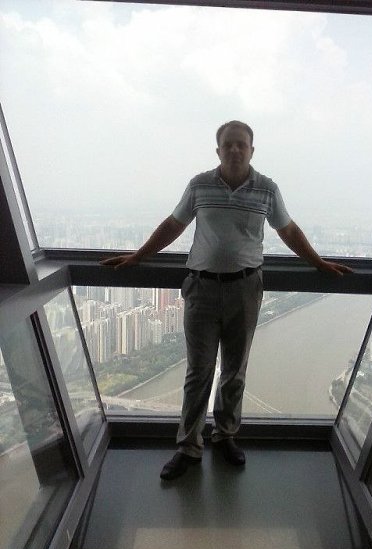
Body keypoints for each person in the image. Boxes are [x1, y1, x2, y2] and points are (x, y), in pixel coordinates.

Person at [101, 120, 352, 480]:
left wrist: (319, 263)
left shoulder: (267, 189)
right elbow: (174, 225)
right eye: (228, 145)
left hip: (245, 289)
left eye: (241, 144)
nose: (235, 150)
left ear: (252, 150)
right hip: (201, 288)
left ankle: (225, 435)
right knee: (198, 372)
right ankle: (188, 447)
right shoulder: (199, 185)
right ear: (218, 150)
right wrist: (137, 257)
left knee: (234, 371)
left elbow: (288, 230)